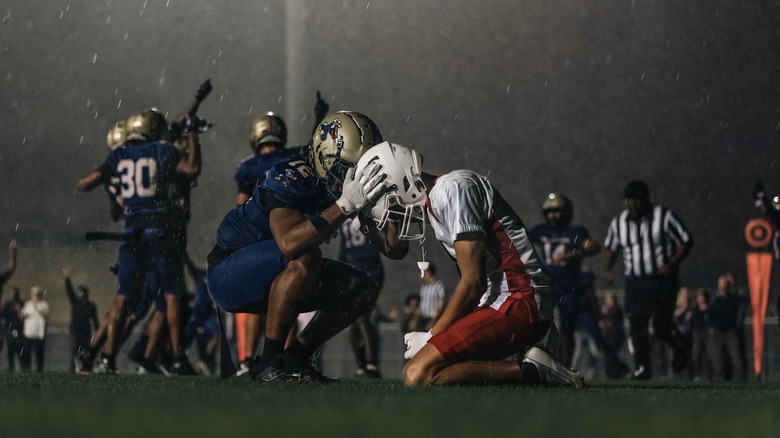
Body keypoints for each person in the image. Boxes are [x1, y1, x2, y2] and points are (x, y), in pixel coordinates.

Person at [358, 142, 582, 388]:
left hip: (520, 300)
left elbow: (473, 282)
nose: (398, 213)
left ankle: (534, 372)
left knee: (417, 374)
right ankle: (526, 365)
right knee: (431, 369)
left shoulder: (454, 189)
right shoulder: (437, 204)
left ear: (401, 182)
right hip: (501, 301)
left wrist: (432, 334)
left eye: (393, 204)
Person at [207, 110, 390, 382]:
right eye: (350, 167)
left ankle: (296, 358)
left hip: (274, 270)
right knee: (305, 257)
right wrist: (345, 205)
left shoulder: (332, 177)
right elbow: (289, 244)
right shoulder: (292, 173)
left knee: (362, 288)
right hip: (228, 271)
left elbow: (394, 249)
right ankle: (268, 363)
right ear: (327, 159)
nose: (356, 175)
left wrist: (393, 201)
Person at [75, 97, 203, 374]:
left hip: (132, 232)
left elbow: (84, 184)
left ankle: (106, 357)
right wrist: (193, 135)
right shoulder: (162, 150)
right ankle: (177, 356)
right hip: (161, 229)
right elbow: (192, 168)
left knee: (124, 298)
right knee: (171, 295)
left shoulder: (119, 155)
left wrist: (109, 183)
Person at [233, 112, 301, 376]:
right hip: (288, 234)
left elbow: (239, 206)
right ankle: (283, 358)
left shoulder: (248, 167)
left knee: (255, 301)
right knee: (289, 297)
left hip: (259, 238)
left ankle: (247, 361)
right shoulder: (292, 156)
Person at [602, 180, 693, 380]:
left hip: (661, 281)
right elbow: (610, 246)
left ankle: (680, 347)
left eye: (636, 200)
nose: (631, 204)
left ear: (645, 200)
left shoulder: (664, 216)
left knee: (661, 324)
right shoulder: (619, 222)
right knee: (637, 325)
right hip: (635, 281)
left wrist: (672, 263)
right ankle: (643, 367)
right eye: (628, 200)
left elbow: (685, 239)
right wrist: (607, 268)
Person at [529, 193, 601, 366]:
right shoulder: (541, 230)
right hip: (548, 285)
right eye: (550, 211)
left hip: (569, 286)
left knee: (566, 330)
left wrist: (573, 254)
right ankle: (537, 362)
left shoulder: (575, 231)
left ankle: (564, 366)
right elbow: (520, 241)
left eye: (557, 211)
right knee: (537, 324)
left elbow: (593, 247)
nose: (553, 215)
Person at [339, 216, 385, 378]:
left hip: (367, 267)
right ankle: (363, 365)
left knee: (362, 318)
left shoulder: (364, 212)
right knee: (355, 321)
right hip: (355, 267)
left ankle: (370, 364)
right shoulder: (345, 212)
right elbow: (343, 248)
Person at [707, 273, 746, 381]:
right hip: (717, 332)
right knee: (718, 360)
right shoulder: (714, 299)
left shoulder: (734, 299)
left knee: (737, 359)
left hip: (730, 332)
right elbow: (710, 314)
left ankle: (740, 380)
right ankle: (720, 380)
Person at [61, 268, 99, 372]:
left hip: (85, 331)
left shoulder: (91, 306)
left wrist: (97, 331)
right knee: (75, 352)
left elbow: (95, 320)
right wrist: (67, 278)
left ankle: (85, 369)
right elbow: (69, 291)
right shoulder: (75, 302)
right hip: (75, 331)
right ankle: (73, 370)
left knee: (85, 352)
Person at [599, 290, 627, 378]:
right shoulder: (605, 309)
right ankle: (613, 373)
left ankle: (620, 371)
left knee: (612, 355)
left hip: (615, 336)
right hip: (607, 337)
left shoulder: (616, 310)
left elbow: (610, 323)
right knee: (609, 357)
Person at [20, 286, 48, 372]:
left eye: (37, 295)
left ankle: (39, 369)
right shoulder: (28, 304)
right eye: (34, 295)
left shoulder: (43, 305)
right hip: (29, 333)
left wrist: (37, 306)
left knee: (39, 353)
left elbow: (45, 316)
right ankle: (27, 368)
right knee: (27, 352)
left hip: (39, 334)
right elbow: (23, 315)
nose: (36, 297)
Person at [2, 287, 25, 371]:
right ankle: (11, 366)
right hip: (10, 327)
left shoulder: (21, 303)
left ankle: (22, 366)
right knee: (10, 349)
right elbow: (3, 314)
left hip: (19, 328)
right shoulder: (8, 304)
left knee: (19, 349)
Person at [690, 288, 710, 381]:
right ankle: (696, 374)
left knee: (708, 354)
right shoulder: (694, 309)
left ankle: (707, 374)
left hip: (707, 333)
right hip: (697, 333)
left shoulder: (709, 308)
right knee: (696, 354)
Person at [419, 263, 446, 330]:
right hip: (423, 318)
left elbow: (440, 305)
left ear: (429, 272)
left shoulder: (438, 286)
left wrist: (433, 321)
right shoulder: (424, 287)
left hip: (433, 318)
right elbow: (421, 304)